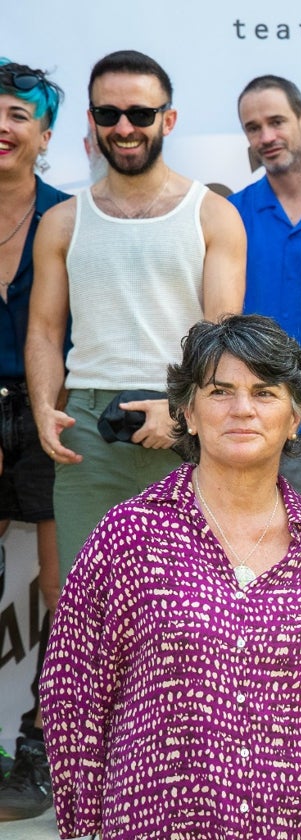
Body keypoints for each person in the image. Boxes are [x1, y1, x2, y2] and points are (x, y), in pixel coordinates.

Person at [39, 314, 301, 840]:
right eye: (220, 391)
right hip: (158, 822)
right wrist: (82, 826)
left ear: (296, 419)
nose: (242, 409)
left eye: (264, 392)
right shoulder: (129, 535)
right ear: (188, 413)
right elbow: (73, 694)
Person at [26, 49, 246, 579]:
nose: (124, 127)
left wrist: (185, 414)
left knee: (188, 612)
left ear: (168, 119)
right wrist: (41, 407)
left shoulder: (213, 214)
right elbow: (45, 330)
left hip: (185, 429)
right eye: (108, 114)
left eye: (141, 114)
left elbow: (222, 336)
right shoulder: (60, 222)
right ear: (92, 120)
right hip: (85, 437)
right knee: (84, 606)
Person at [0, 57, 68, 824]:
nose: (3, 126)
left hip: (54, 413)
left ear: (46, 132)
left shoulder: (70, 216)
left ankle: (40, 753)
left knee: (62, 592)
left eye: (19, 113)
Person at [228, 74, 301, 500]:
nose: (266, 137)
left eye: (276, 121)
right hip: (255, 420)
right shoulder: (231, 212)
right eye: (253, 128)